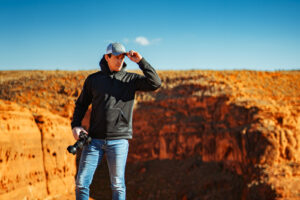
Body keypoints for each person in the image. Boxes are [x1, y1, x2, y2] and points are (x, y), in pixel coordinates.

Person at [71, 42, 161, 200]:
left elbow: (155, 83)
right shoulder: (94, 80)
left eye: (122, 57)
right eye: (116, 57)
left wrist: (141, 61)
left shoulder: (130, 79)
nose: (120, 61)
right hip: (94, 141)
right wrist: (76, 126)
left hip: (119, 141)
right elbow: (81, 104)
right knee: (81, 183)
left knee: (118, 186)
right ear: (107, 57)